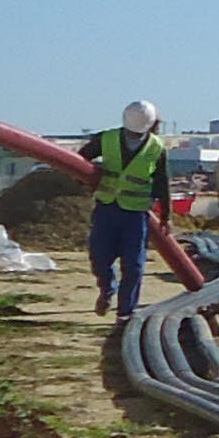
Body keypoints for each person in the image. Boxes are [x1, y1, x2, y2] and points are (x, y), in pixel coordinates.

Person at [86, 102, 168, 322]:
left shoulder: (156, 147)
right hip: (107, 208)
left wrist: (166, 216)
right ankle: (107, 288)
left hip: (135, 214)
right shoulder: (107, 138)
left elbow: (162, 183)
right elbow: (81, 158)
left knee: (134, 265)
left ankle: (125, 312)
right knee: (99, 257)